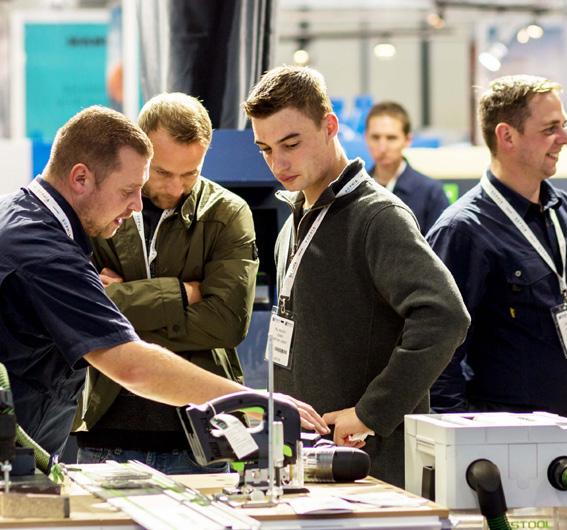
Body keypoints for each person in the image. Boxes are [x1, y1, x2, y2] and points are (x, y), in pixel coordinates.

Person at [0, 106, 327, 458]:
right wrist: (252, 401)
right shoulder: (45, 252)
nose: (136, 205)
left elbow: (226, 321)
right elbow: (132, 365)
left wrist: (124, 300)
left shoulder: (22, 218)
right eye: (128, 190)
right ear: (81, 178)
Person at [426, 75, 567, 527]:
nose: (565, 138)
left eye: (563, 126)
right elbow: (438, 354)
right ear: (507, 136)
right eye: (550, 129)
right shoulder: (463, 231)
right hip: (506, 457)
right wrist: (464, 445)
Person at [242, 66, 469, 487]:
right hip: (309, 460)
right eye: (265, 149)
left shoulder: (378, 216)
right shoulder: (296, 219)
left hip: (368, 467)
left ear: (329, 126)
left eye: (291, 143)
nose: (278, 162)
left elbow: (445, 316)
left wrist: (370, 412)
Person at [71, 93, 258, 474]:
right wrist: (182, 294)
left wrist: (119, 304)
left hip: (202, 438)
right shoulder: (97, 207)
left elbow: (226, 322)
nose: (175, 188)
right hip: (105, 430)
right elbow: (80, 311)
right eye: (162, 173)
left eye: (190, 174)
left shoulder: (228, 213)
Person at [364, 101, 449, 235]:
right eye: (375, 137)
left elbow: (439, 245)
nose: (382, 148)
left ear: (407, 140)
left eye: (391, 138)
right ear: (366, 138)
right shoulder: (356, 191)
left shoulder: (431, 194)